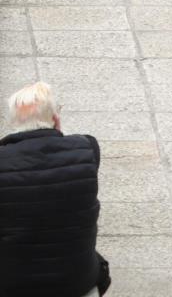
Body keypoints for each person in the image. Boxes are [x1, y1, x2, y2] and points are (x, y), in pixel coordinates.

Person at [0, 82, 111, 297]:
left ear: (13, 123)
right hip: (77, 282)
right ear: (55, 119)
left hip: (14, 286)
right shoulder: (87, 147)